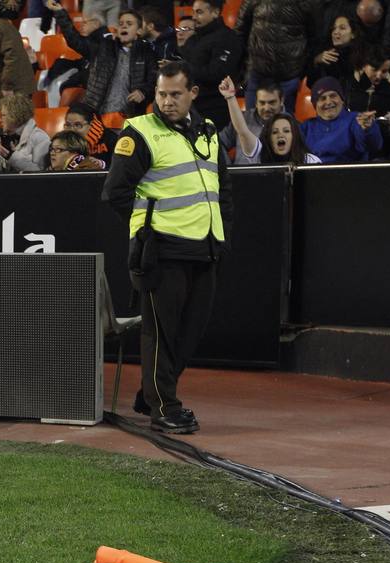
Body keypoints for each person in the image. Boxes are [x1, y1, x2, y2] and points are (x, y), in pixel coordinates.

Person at [103, 59, 233, 435]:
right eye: (161, 94)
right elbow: (116, 192)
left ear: (193, 93)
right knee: (161, 332)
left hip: (205, 246)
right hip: (161, 250)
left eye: (175, 94)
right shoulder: (140, 132)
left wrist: (222, 234)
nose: (167, 101)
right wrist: (149, 229)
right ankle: (164, 407)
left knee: (189, 332)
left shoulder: (208, 131)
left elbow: (222, 189)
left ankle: (152, 394)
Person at [49, 2, 157, 118]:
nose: (124, 26)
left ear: (139, 31)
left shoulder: (147, 53)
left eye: (129, 24)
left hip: (130, 117)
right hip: (97, 115)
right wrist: (61, 13)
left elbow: (154, 80)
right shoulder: (103, 47)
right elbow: (74, 40)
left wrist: (143, 92)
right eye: (121, 24)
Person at [233, 0, 323, 112]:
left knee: (284, 121)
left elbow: (315, 38)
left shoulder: (308, 3)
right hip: (257, 72)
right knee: (252, 120)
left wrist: (301, 69)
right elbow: (240, 32)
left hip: (289, 75)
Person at [220, 76, 322, 162]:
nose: (267, 108)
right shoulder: (258, 153)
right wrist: (230, 97)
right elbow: (242, 131)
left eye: (286, 131)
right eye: (274, 132)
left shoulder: (309, 159)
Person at [178, 0, 242, 126]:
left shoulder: (228, 38)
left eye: (199, 12)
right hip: (190, 107)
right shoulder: (193, 40)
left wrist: (184, 68)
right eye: (193, 12)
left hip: (215, 109)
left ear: (215, 12)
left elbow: (218, 74)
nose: (194, 17)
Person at [300, 76, 383, 160]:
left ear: (342, 100)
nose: (328, 102)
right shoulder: (307, 127)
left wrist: (368, 129)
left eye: (333, 96)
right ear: (315, 105)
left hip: (348, 168)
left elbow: (373, 146)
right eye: (322, 98)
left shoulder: (357, 120)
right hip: (313, 168)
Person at [0, 91, 49, 172]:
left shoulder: (40, 138)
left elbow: (40, 172)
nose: (0, 120)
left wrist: (11, 156)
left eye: (3, 115)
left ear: (15, 115)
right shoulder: (7, 138)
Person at [220, 79, 283, 150]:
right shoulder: (241, 119)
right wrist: (226, 157)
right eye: (262, 103)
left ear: (281, 101)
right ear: (256, 103)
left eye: (272, 102)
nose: (266, 108)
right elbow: (219, 143)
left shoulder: (291, 126)